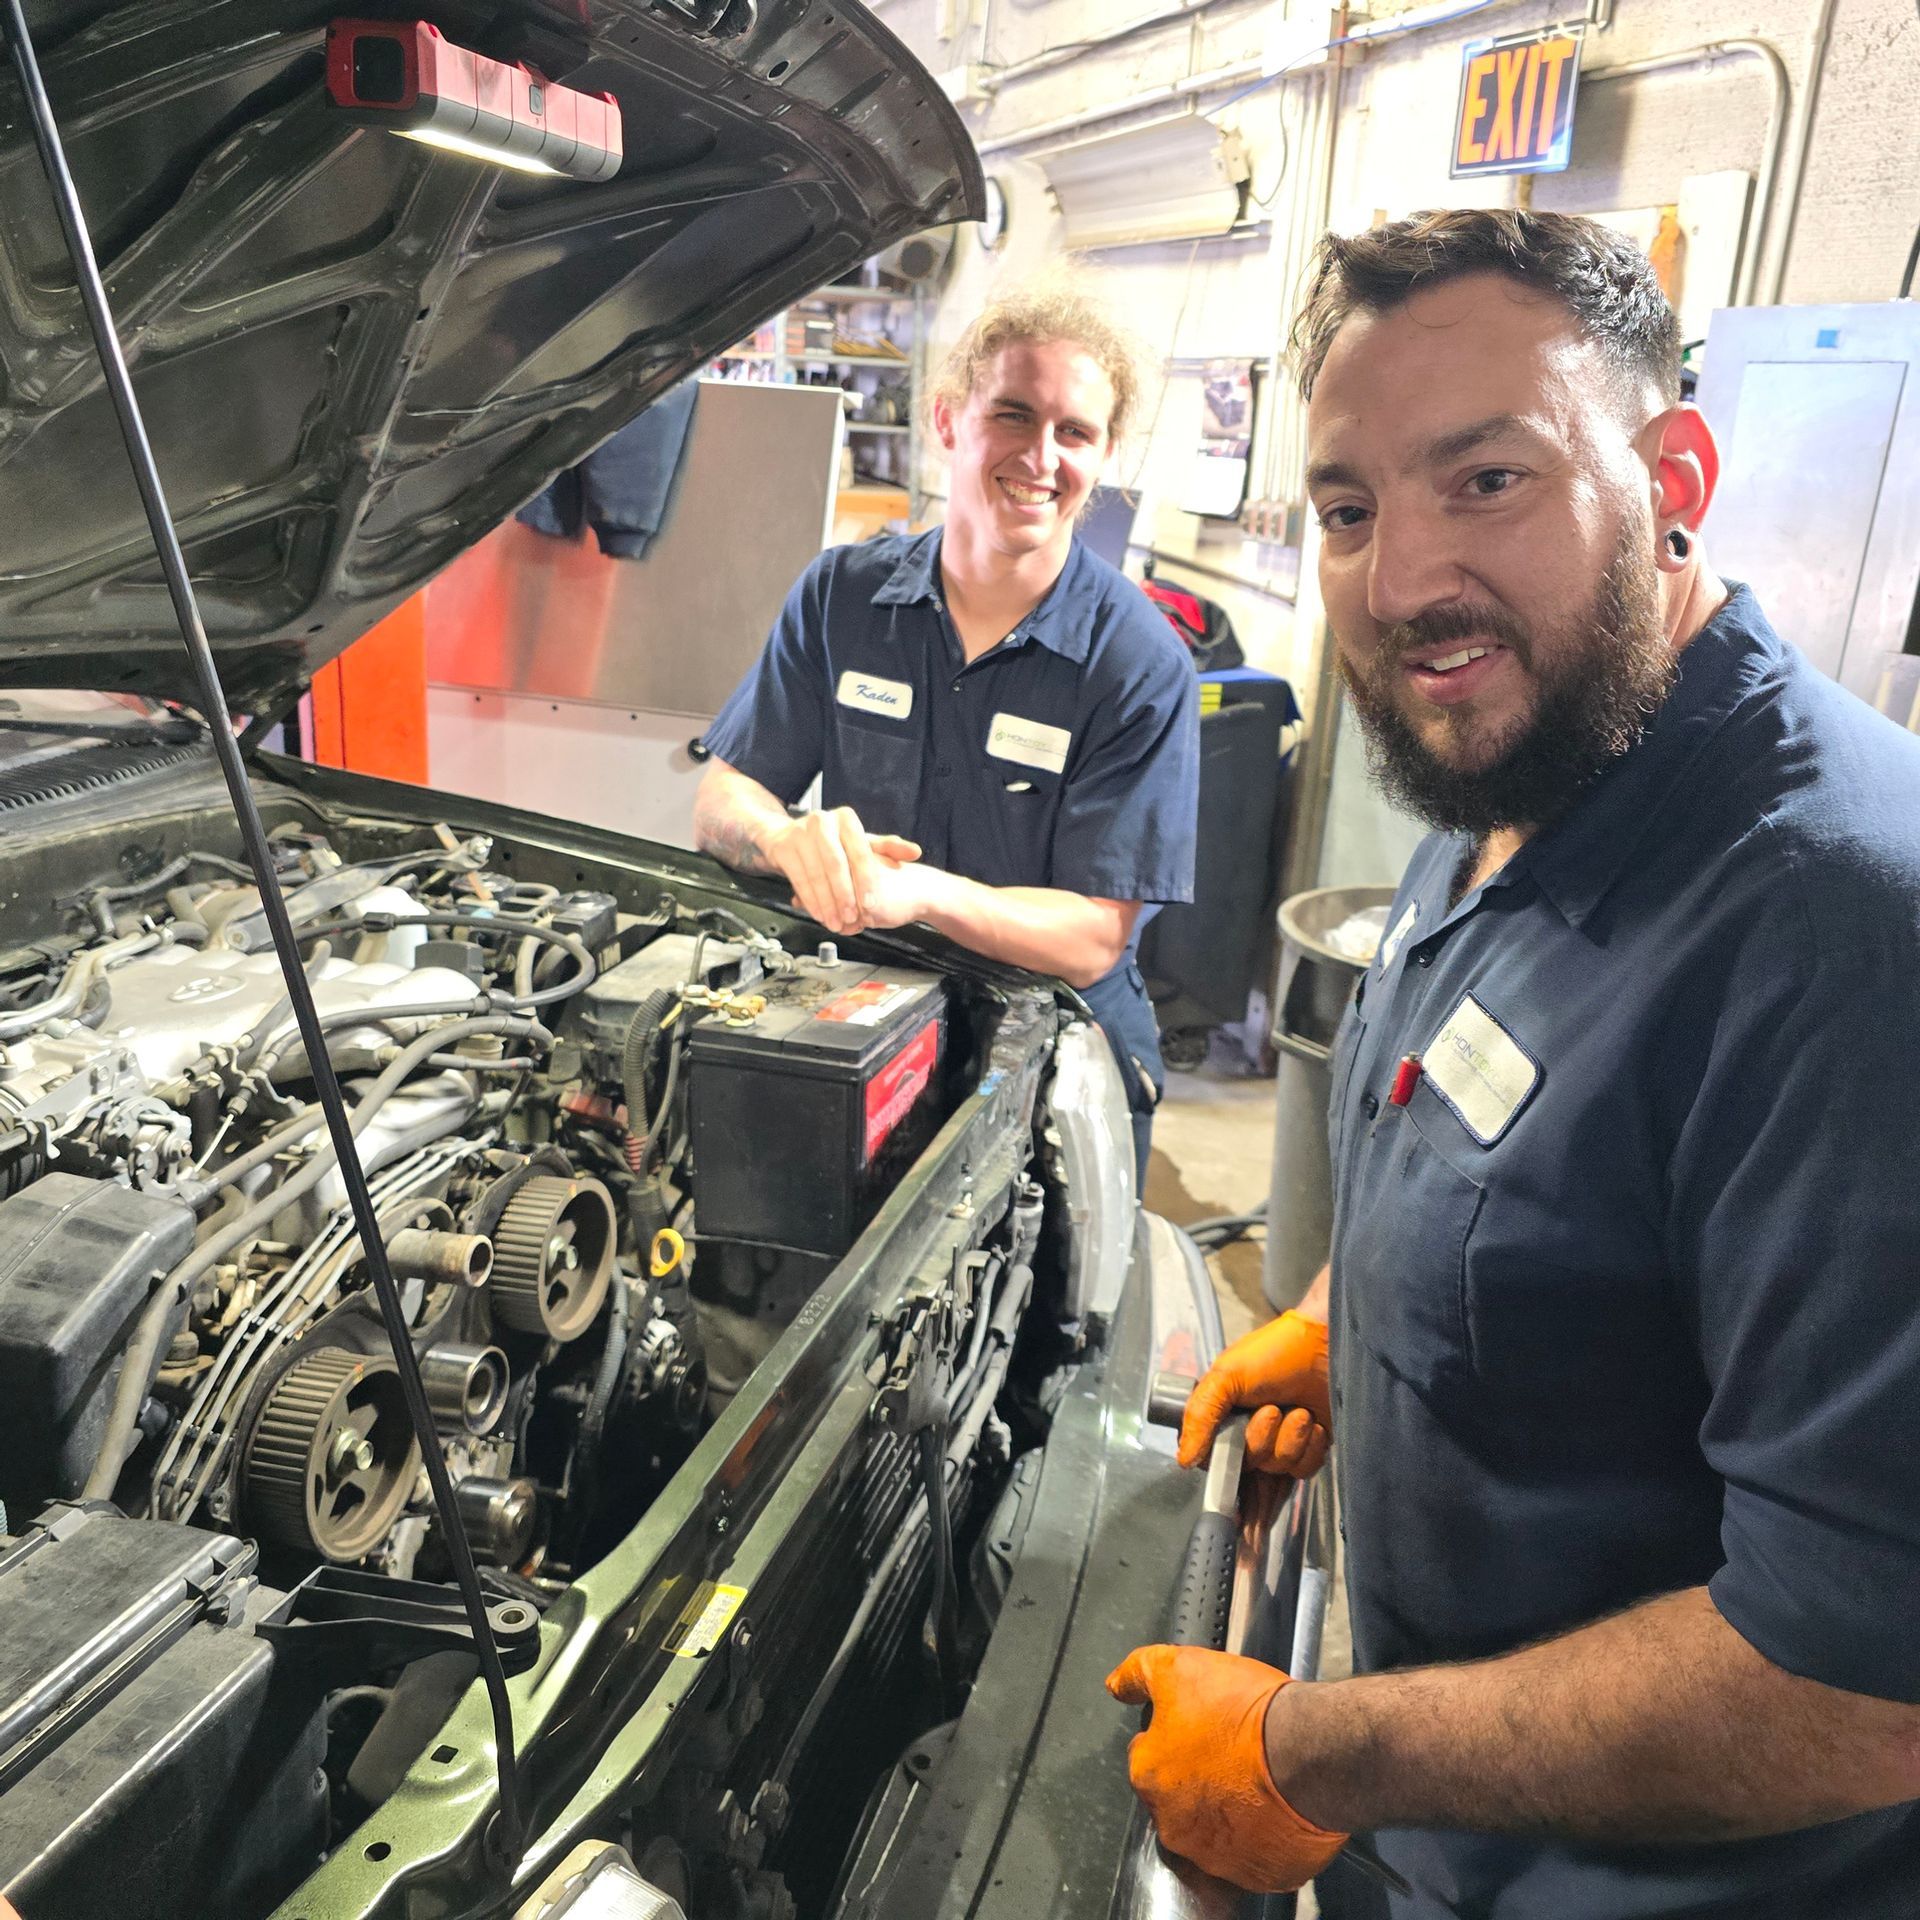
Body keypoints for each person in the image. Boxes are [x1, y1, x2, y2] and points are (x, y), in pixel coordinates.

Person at [1108, 208, 1920, 1916]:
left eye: (1489, 480)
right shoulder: (1522, 768)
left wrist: (1312, 1756)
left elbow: (1861, 1684)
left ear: (1674, 472)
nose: (1403, 582)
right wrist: (1347, 1319)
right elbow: (1479, 1116)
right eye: (1349, 509)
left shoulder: (1839, 927)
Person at [693, 273, 1199, 1178]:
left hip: (1057, 1049)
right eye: (1013, 415)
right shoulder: (842, 597)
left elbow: (1090, 937)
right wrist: (785, 838)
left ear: (1105, 453)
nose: (1042, 457)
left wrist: (924, 895)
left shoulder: (1139, 663)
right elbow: (724, 798)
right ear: (948, 422)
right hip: (862, 1013)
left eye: (1075, 432)